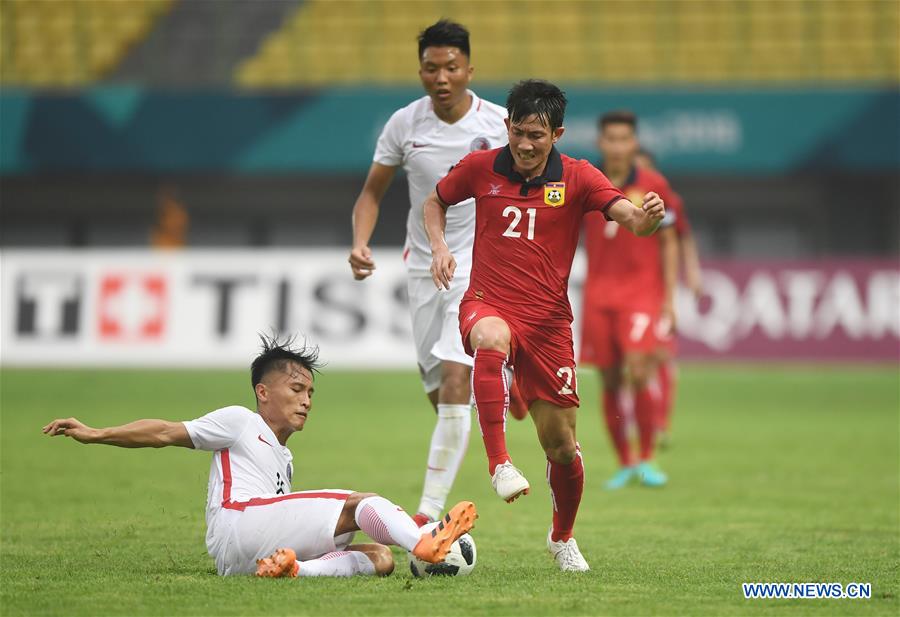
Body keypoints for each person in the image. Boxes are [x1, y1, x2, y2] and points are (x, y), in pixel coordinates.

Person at [423, 80, 665, 571]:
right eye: (517, 132)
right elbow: (435, 202)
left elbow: (631, 220)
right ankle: (499, 464)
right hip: (488, 302)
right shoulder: (480, 167)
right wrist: (440, 246)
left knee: (562, 448)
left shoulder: (578, 177)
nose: (525, 145)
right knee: (490, 338)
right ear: (507, 126)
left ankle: (562, 538)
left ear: (557, 133)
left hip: (550, 326)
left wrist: (648, 218)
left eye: (536, 135)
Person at [42, 335, 477, 578]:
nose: (306, 400)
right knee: (360, 504)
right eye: (296, 389)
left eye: (310, 392)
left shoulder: (283, 456)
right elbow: (163, 432)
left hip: (244, 557)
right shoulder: (239, 421)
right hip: (240, 522)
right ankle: (425, 541)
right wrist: (96, 433)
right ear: (262, 392)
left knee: (380, 559)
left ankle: (292, 571)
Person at [347, 20, 512, 527]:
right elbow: (372, 192)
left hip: (476, 269)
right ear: (420, 70)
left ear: (469, 69)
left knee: (458, 380)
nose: (441, 77)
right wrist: (360, 242)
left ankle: (425, 515)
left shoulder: (500, 123)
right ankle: (503, 386)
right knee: (440, 394)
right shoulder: (404, 124)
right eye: (431, 68)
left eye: (451, 67)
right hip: (421, 270)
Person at [579, 111, 680, 490]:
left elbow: (669, 239)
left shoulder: (655, 185)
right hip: (598, 294)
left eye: (625, 139)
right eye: (611, 139)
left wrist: (669, 298)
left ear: (634, 143)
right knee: (608, 379)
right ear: (600, 143)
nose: (618, 146)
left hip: (641, 293)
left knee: (638, 370)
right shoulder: (586, 182)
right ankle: (625, 462)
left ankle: (648, 458)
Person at [635, 147, 703, 446]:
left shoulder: (668, 201)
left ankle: (660, 423)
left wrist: (692, 272)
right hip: (630, 287)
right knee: (635, 362)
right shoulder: (618, 195)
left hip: (657, 287)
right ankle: (642, 421)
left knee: (660, 354)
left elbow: (681, 236)